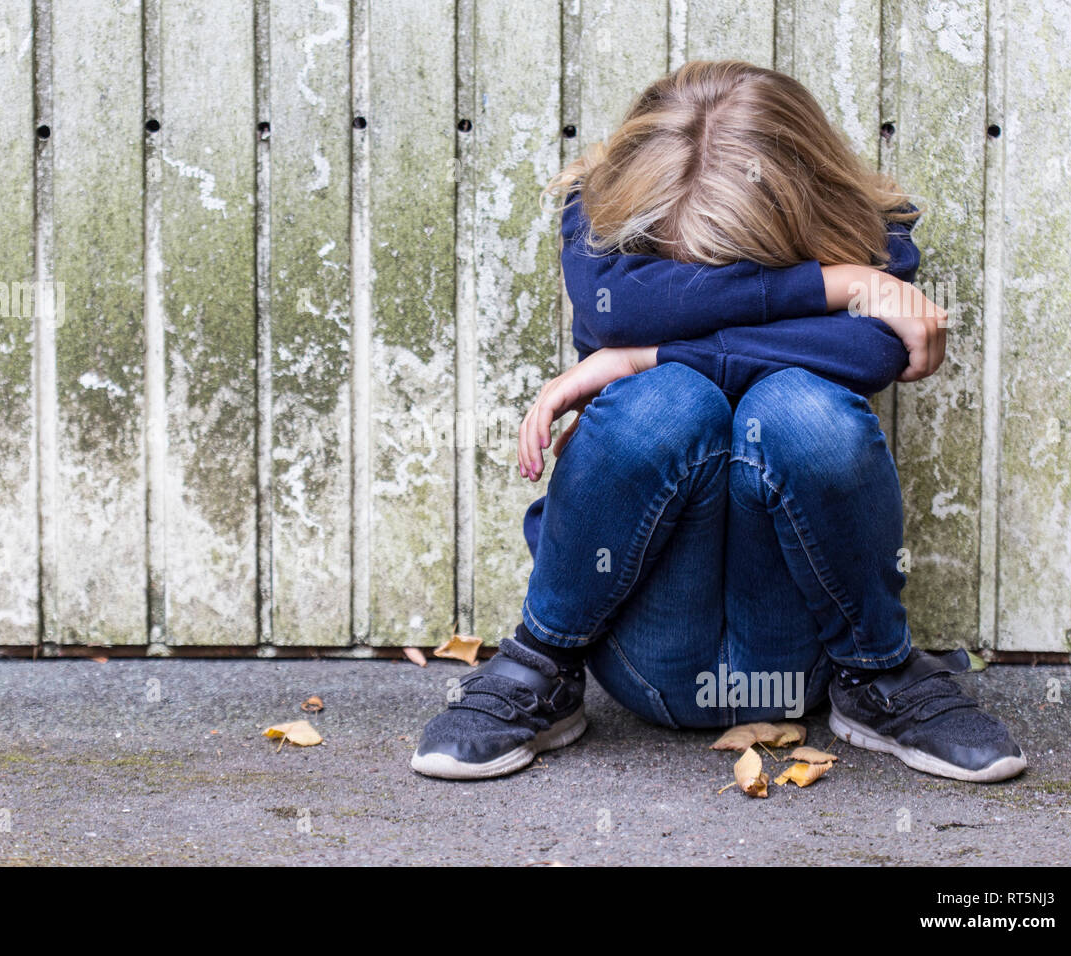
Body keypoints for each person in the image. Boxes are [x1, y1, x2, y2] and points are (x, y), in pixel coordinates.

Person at [410, 60, 1026, 784]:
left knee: (797, 407)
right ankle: (541, 663)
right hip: (647, 652)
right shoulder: (599, 212)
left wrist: (631, 358)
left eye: (737, 263)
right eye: (686, 272)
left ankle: (879, 678)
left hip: (806, 656)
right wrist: (834, 286)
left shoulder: (871, 231)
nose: (708, 285)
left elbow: (867, 350)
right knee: (669, 403)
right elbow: (628, 310)